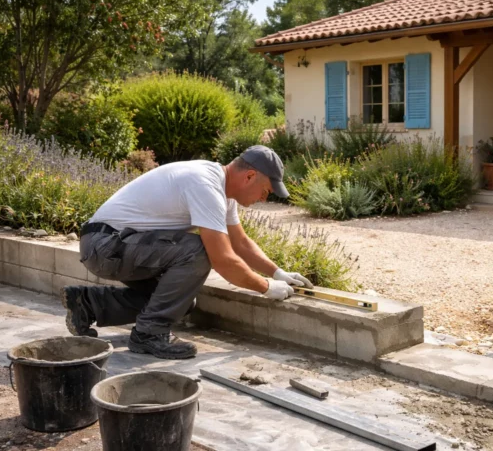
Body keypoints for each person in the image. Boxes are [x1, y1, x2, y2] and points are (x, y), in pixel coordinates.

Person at [60, 145, 313, 360]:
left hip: (115, 246)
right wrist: (266, 288)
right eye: (266, 191)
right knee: (200, 250)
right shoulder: (205, 185)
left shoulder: (222, 192)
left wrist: (277, 273)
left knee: (180, 302)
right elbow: (223, 260)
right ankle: (149, 334)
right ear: (249, 176)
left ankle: (88, 304)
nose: (262, 198)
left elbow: (240, 243)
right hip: (104, 245)